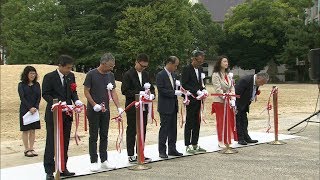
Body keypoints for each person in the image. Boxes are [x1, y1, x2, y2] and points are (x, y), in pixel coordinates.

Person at [42, 55, 83, 180]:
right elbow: (45, 93)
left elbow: (73, 91)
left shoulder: (70, 76)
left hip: (67, 114)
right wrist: (56, 103)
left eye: (71, 68)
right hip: (54, 114)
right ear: (60, 65)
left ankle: (63, 167)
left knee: (65, 141)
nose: (69, 70)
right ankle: (49, 170)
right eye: (67, 68)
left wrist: (76, 101)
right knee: (52, 142)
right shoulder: (49, 77)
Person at [83, 53, 123, 171]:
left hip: (106, 110)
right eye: (110, 66)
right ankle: (93, 160)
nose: (112, 68)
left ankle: (104, 160)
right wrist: (94, 104)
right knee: (93, 135)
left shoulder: (110, 75)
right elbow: (86, 91)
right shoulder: (91, 74)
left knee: (104, 135)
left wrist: (118, 106)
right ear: (103, 63)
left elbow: (113, 92)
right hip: (94, 109)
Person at [121, 53, 155, 163]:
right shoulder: (128, 74)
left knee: (143, 129)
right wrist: (140, 93)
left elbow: (152, 88)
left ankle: (140, 152)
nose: (143, 68)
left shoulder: (146, 74)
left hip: (144, 107)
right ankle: (130, 154)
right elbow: (125, 90)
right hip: (133, 106)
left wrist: (152, 95)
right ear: (136, 62)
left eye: (145, 66)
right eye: (142, 66)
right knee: (132, 129)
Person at [156, 56, 183, 158]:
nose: (176, 68)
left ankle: (172, 148)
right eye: (175, 65)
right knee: (164, 129)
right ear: (170, 64)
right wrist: (174, 92)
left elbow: (177, 87)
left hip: (173, 105)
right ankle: (162, 150)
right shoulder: (160, 75)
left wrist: (180, 90)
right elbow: (161, 90)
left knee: (173, 129)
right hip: (165, 106)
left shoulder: (174, 75)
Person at [181, 50, 207, 154]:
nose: (200, 63)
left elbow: (201, 83)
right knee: (190, 121)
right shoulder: (187, 69)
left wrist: (203, 89)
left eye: (202, 61)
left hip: (199, 99)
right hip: (190, 98)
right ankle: (187, 144)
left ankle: (195, 143)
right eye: (198, 61)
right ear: (193, 59)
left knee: (197, 121)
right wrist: (195, 91)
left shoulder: (200, 69)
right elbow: (184, 84)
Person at [235, 72, 269, 145]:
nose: (262, 84)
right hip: (238, 103)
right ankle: (240, 138)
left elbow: (253, 91)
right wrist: (236, 106)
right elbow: (236, 93)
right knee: (238, 121)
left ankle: (246, 137)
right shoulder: (245, 80)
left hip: (245, 104)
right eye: (262, 82)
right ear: (258, 78)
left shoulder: (256, 82)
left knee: (244, 121)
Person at [211, 56, 237, 148]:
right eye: (224, 61)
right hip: (220, 101)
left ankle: (227, 139)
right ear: (219, 63)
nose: (226, 63)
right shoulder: (215, 75)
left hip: (228, 101)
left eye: (227, 61)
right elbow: (218, 89)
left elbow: (232, 86)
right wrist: (225, 96)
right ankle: (220, 140)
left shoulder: (228, 74)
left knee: (228, 121)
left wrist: (232, 98)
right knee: (221, 121)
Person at [18, 66, 41, 157]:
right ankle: (26, 149)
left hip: (35, 110)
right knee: (25, 130)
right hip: (25, 109)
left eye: (34, 73)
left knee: (33, 130)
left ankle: (31, 148)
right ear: (26, 74)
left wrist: (35, 107)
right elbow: (22, 97)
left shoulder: (37, 84)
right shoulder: (21, 84)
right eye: (31, 73)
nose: (33, 75)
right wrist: (29, 108)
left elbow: (39, 96)